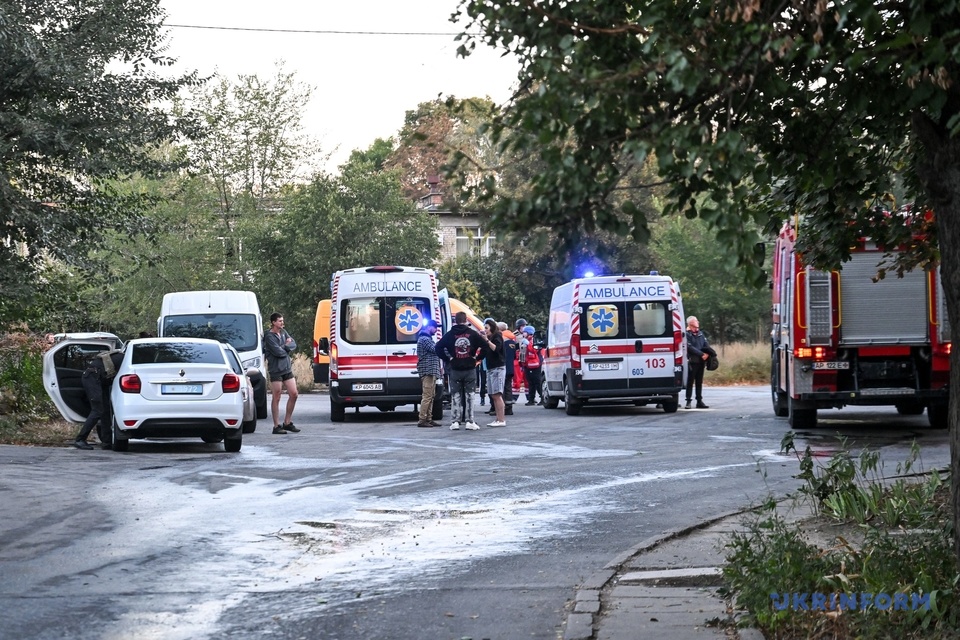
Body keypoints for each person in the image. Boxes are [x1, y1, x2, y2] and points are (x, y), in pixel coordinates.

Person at [436, 311, 485, 430]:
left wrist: (448, 359)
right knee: (470, 395)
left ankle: (455, 421)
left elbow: (438, 347)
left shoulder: (450, 334)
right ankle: (470, 421)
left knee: (455, 395)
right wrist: (477, 358)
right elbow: (485, 346)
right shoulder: (472, 333)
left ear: (455, 321)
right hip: (470, 368)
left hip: (455, 368)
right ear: (466, 320)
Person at [74, 348, 124, 450]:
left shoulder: (120, 355)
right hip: (93, 377)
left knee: (105, 410)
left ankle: (107, 442)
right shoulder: (126, 359)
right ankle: (80, 439)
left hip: (98, 378)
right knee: (97, 410)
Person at [263, 313, 300, 434]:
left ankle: (287, 422)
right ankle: (276, 426)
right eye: (280, 321)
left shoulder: (284, 332)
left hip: (287, 369)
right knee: (277, 396)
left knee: (294, 394)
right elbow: (277, 352)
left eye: (282, 321)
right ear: (273, 322)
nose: (282, 323)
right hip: (276, 370)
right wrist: (286, 346)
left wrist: (285, 347)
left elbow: (293, 344)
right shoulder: (269, 336)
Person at [685, 316, 717, 409]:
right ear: (690, 324)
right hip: (692, 361)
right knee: (690, 381)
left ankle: (699, 401)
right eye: (696, 321)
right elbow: (689, 347)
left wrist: (709, 353)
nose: (698, 322)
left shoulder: (700, 334)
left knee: (699, 382)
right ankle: (688, 401)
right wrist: (701, 354)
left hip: (701, 361)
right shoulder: (687, 334)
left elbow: (705, 345)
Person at [416, 318, 442, 428]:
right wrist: (442, 343)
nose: (436, 330)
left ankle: (429, 418)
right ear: (429, 327)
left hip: (430, 370)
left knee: (430, 396)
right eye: (435, 328)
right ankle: (422, 419)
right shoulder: (425, 339)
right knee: (427, 396)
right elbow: (435, 350)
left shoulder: (425, 339)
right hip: (428, 370)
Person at [481, 318, 507, 427]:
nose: (485, 330)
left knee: (497, 394)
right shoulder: (490, 337)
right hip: (490, 368)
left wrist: (487, 340)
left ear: (492, 327)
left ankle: (501, 420)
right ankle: (497, 418)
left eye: (486, 328)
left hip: (498, 368)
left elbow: (496, 349)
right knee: (493, 395)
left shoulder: (497, 336)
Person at [520, 325, 543, 405]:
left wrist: (528, 344)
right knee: (530, 383)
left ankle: (542, 398)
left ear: (529, 332)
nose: (523, 333)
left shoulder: (534, 340)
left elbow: (534, 350)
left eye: (525, 332)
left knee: (537, 382)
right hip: (527, 365)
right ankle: (531, 399)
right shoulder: (526, 340)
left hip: (535, 365)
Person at [498, 322, 517, 416]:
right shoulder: (512, 341)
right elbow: (515, 356)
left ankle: (502, 408)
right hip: (511, 368)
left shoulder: (502, 341)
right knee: (508, 387)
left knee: (502, 388)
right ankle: (509, 408)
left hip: (502, 367)